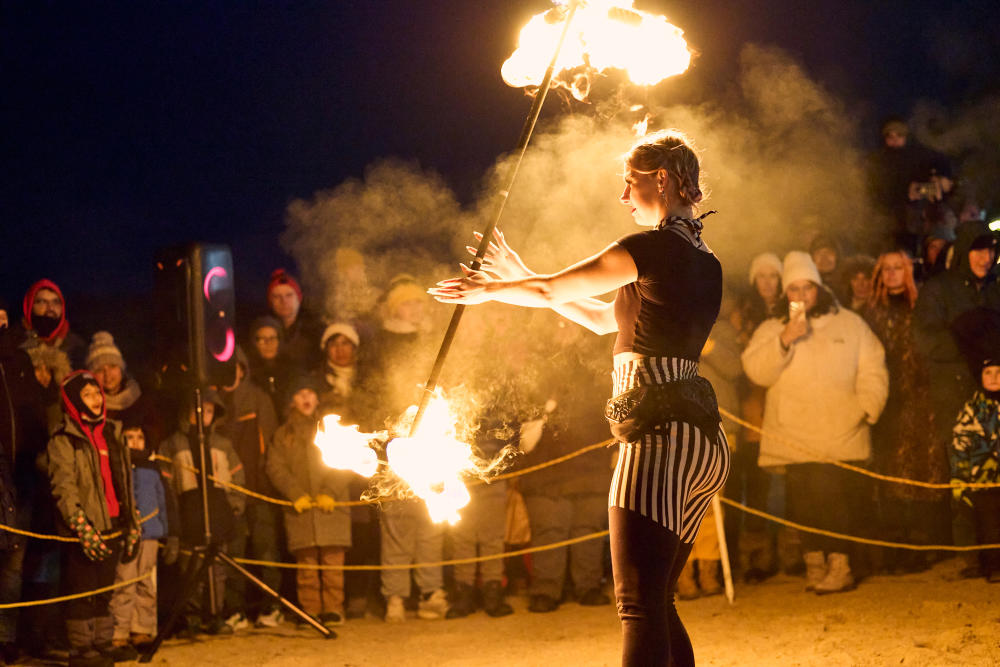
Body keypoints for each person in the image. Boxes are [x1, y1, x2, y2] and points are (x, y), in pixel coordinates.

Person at [430, 130, 730, 666]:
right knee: (658, 598)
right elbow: (598, 317)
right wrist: (521, 278)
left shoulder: (649, 248)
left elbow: (552, 290)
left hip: (658, 442)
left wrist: (490, 290)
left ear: (660, 179)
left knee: (637, 603)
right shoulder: (705, 259)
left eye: (629, 182)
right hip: (701, 444)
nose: (623, 197)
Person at [741, 252, 888, 594]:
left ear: (819, 289)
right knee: (802, 502)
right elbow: (756, 371)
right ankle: (815, 561)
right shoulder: (772, 328)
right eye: (794, 288)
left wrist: (868, 407)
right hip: (793, 435)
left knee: (834, 499)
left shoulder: (850, 324)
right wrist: (785, 338)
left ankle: (841, 564)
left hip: (842, 431)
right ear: (785, 294)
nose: (802, 295)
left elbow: (873, 368)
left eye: (808, 287)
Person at [45, 371, 141, 667]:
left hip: (113, 523)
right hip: (85, 528)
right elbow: (63, 485)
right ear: (74, 401)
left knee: (104, 588)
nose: (96, 400)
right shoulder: (65, 439)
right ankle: (81, 648)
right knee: (82, 589)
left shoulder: (112, 432)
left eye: (97, 393)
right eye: (87, 395)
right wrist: (79, 524)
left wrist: (132, 520)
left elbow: (123, 478)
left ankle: (101, 642)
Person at [861, 251, 949, 572]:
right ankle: (898, 546)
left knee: (924, 470)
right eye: (887, 269)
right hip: (889, 400)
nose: (893, 274)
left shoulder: (922, 308)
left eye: (899, 268)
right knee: (891, 474)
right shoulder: (871, 312)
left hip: (923, 401)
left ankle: (927, 545)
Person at [267, 377, 353, 629]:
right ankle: (311, 611)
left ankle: (334, 610)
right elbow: (275, 467)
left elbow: (346, 462)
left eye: (310, 392)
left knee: (332, 564)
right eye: (299, 392)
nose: (305, 397)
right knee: (306, 567)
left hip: (332, 510)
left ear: (318, 398)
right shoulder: (284, 435)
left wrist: (330, 491)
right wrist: (294, 493)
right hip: (301, 510)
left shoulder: (332, 429)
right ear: (292, 400)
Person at [159, 388, 245, 636]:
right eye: (197, 411)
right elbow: (166, 483)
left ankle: (215, 614)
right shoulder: (174, 443)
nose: (203, 416)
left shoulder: (222, 445)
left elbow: (238, 476)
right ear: (187, 413)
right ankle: (191, 617)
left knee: (217, 569)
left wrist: (235, 505)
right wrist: (172, 518)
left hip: (218, 514)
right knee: (191, 569)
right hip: (189, 514)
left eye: (208, 411)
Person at [214, 347, 283, 630]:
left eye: (236, 366)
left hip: (259, 489)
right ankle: (235, 609)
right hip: (230, 492)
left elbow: (270, 442)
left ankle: (272, 607)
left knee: (267, 551)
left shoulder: (258, 399)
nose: (231, 372)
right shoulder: (211, 403)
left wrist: (266, 484)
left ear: (243, 369)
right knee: (234, 553)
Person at [108, 423, 170, 659]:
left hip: (151, 532)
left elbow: (164, 500)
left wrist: (167, 529)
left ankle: (142, 629)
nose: (135, 442)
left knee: (145, 582)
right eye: (129, 437)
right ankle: (118, 631)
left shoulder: (153, 469)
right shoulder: (120, 467)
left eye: (140, 437)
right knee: (124, 581)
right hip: (127, 535)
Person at [950, 308, 1000, 583]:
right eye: (987, 372)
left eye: (998, 371)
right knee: (987, 526)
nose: (993, 377)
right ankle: (990, 566)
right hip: (983, 479)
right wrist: (960, 477)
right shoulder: (972, 409)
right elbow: (960, 441)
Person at [17, 279, 87, 369]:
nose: (50, 308)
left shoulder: (77, 347)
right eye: (42, 302)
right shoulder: (15, 343)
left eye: (56, 302)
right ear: (30, 306)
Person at [266, 269, 324, 371]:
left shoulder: (316, 331)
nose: (283, 301)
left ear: (298, 298)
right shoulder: (262, 331)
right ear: (270, 302)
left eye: (289, 295)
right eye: (276, 297)